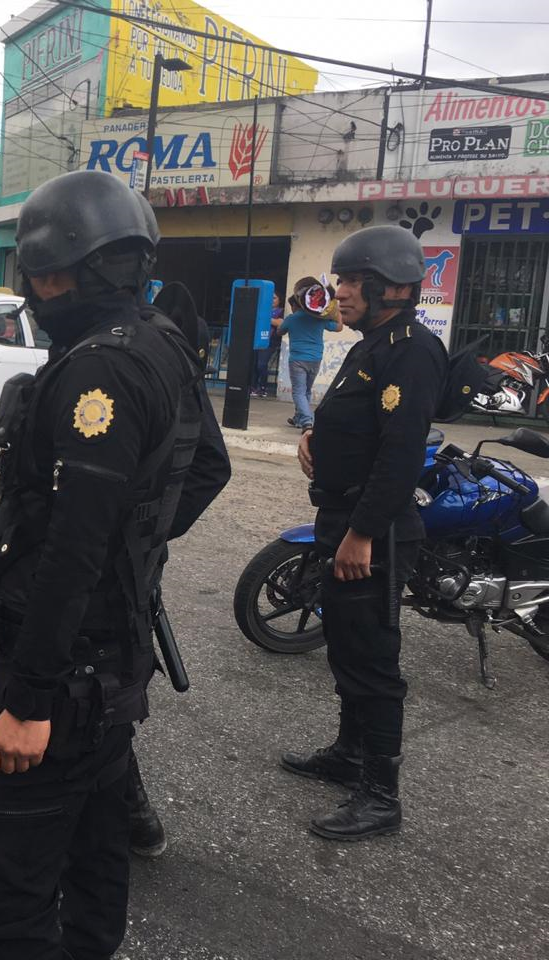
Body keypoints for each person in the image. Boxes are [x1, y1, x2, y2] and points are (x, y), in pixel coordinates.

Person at [0, 169, 224, 959]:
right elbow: (208, 467)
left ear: (81, 270)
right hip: (116, 662)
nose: (38, 293)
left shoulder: (95, 371)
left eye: (44, 273)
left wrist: (29, 698)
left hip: (63, 673)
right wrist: (134, 548)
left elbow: (71, 550)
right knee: (97, 852)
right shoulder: (164, 340)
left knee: (11, 894)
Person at [288, 225, 446, 841]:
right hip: (342, 519)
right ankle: (349, 755)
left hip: (371, 531)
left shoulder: (410, 348)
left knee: (373, 662)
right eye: (341, 279)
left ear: (392, 288)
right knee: (347, 649)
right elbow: (358, 421)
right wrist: (314, 436)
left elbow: (400, 456)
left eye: (353, 281)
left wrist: (363, 535)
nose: (340, 291)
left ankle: (381, 796)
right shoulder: (372, 344)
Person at [279, 276, 342, 428]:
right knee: (306, 390)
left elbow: (280, 332)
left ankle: (307, 421)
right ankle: (298, 418)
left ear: (296, 304)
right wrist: (337, 309)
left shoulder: (291, 319)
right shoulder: (319, 318)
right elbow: (339, 327)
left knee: (299, 392)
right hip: (316, 359)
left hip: (297, 359)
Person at [252, 290, 284, 397]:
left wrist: (264, 318)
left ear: (279, 300)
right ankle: (253, 387)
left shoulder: (280, 311)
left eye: (274, 298)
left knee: (262, 364)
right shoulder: (262, 310)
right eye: (270, 298)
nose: (272, 300)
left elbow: (279, 323)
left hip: (270, 341)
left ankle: (262, 388)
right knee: (254, 364)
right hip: (257, 339)